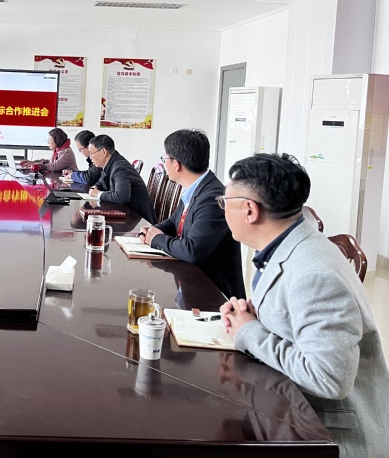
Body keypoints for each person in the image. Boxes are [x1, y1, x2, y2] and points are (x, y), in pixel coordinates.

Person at [219, 153, 389, 457]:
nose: (222, 209)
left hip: (323, 433)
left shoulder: (313, 274)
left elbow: (329, 379)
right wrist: (253, 317)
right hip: (285, 406)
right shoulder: (291, 242)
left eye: (224, 202)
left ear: (250, 210)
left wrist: (251, 332)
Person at [140, 129, 244, 299]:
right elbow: (174, 221)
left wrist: (157, 239)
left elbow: (193, 251)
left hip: (215, 296)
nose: (164, 163)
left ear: (176, 164)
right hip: (193, 284)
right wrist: (153, 231)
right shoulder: (196, 188)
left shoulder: (212, 197)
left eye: (165, 159)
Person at [87, 134, 156, 222]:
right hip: (126, 216)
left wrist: (98, 194)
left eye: (91, 153)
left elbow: (121, 197)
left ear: (104, 152)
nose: (90, 157)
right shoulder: (111, 163)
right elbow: (101, 181)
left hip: (138, 220)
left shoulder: (121, 168)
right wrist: (95, 187)